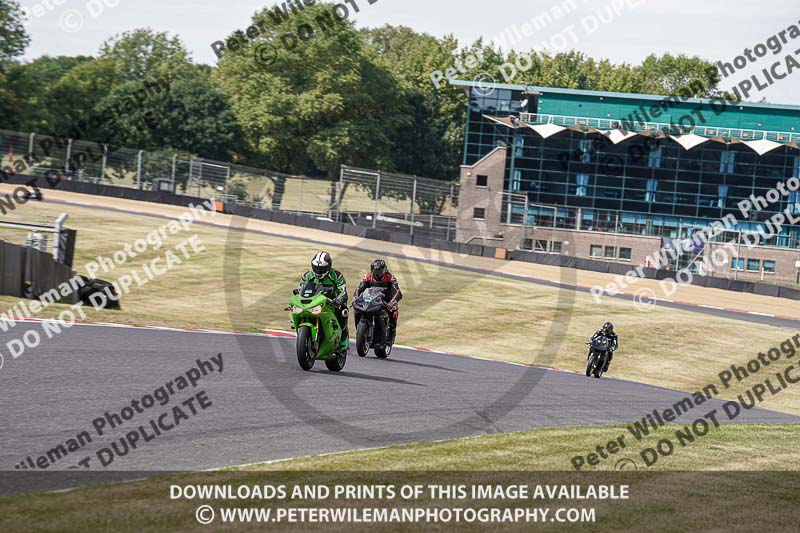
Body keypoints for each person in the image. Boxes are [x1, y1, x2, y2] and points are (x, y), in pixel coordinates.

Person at [299, 251, 349, 355]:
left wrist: (338, 300)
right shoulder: (307, 276)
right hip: (313, 303)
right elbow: (301, 290)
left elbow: (343, 291)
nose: (318, 271)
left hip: (332, 303)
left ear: (328, 267)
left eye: (321, 269)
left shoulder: (337, 276)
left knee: (344, 312)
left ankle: (343, 341)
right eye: (315, 268)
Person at [354, 259, 403, 345]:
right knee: (357, 310)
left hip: (386, 301)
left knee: (393, 313)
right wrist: (356, 299)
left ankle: (390, 337)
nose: (377, 274)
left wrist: (391, 303)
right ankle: (359, 330)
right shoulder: (367, 277)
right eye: (375, 271)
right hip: (370, 300)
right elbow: (359, 289)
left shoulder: (390, 277)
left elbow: (398, 292)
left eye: (380, 271)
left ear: (384, 270)